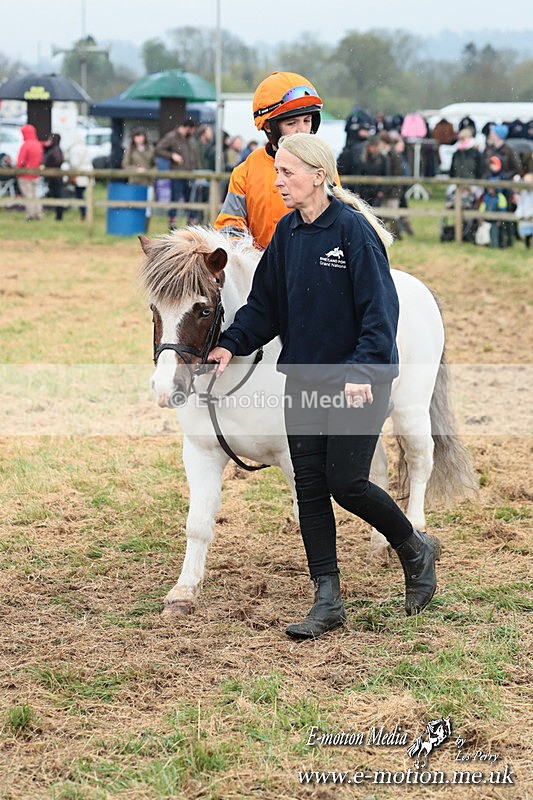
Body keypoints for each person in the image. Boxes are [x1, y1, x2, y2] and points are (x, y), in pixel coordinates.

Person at [208, 133, 440, 640]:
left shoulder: (354, 232)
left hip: (360, 380)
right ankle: (327, 598)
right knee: (310, 486)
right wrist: (231, 342)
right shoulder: (288, 234)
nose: (277, 182)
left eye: (286, 173)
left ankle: (414, 547)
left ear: (318, 175)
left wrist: (363, 370)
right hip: (304, 380)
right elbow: (265, 306)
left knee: (347, 482)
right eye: (277, 173)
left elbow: (382, 312)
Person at [214, 71, 324, 249]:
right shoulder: (245, 171)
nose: (302, 130)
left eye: (307, 120)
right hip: (260, 268)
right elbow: (229, 227)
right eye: (291, 123)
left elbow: (339, 222)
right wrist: (250, 258)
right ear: (268, 126)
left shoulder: (324, 166)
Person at [155, 117, 201, 230]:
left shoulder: (191, 139)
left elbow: (196, 158)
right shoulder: (171, 137)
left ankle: (191, 225)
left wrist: (199, 173)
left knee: (191, 199)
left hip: (191, 175)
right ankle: (172, 224)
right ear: (188, 128)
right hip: (177, 174)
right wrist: (172, 155)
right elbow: (158, 149)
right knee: (175, 199)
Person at [122, 127, 155, 231]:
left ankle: (145, 228)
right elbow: (125, 165)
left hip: (147, 182)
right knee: (133, 206)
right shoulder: (130, 149)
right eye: (137, 136)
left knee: (147, 208)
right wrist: (136, 169)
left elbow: (155, 165)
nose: (139, 139)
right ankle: (133, 227)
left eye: (141, 136)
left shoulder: (151, 149)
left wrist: (150, 172)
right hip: (134, 182)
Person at [16, 123, 44, 221]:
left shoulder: (26, 145)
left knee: (28, 195)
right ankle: (38, 213)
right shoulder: (38, 144)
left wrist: (17, 169)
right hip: (35, 174)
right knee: (36, 194)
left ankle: (30, 214)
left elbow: (21, 161)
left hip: (25, 175)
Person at [66, 131, 92, 221]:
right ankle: (86, 212)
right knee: (86, 194)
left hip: (80, 175)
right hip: (88, 174)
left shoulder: (74, 149)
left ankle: (84, 213)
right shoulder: (84, 147)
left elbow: (74, 163)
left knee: (79, 195)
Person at [43, 133, 65, 221]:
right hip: (55, 177)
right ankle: (58, 215)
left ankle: (59, 216)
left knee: (57, 196)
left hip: (55, 177)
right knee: (57, 195)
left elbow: (54, 162)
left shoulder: (55, 150)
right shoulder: (56, 149)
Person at [514, 172, 533, 248]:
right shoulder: (524, 192)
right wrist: (519, 213)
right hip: (525, 213)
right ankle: (527, 243)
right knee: (527, 231)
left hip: (531, 212)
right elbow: (521, 204)